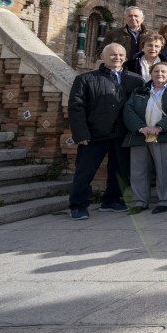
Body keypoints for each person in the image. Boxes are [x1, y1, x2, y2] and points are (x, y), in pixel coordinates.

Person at [67, 43, 145, 220]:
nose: (117, 58)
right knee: (85, 171)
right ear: (102, 56)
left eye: (121, 55)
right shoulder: (86, 79)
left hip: (122, 134)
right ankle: (78, 205)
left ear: (125, 58)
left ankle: (111, 200)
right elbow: (76, 107)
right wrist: (80, 133)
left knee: (120, 170)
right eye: (113, 54)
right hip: (94, 134)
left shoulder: (135, 80)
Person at [120, 60, 167, 214]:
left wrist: (159, 127)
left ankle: (165, 201)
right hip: (140, 135)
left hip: (165, 135)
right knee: (138, 171)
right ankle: (139, 202)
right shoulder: (139, 91)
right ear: (150, 74)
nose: (160, 74)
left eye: (164, 71)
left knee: (165, 170)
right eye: (156, 71)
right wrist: (141, 127)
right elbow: (128, 110)